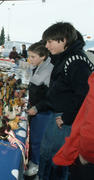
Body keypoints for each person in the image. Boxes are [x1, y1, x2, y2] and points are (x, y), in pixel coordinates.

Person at [38, 22, 94, 180]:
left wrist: (67, 117)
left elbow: (84, 95)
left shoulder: (76, 61)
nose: (47, 46)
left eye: (50, 42)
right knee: (47, 154)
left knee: (55, 159)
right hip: (59, 114)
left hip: (64, 118)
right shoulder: (65, 57)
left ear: (63, 40)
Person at [24, 41, 54, 177]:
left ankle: (36, 166)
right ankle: (31, 161)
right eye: (29, 56)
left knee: (37, 140)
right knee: (32, 138)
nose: (30, 60)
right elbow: (35, 86)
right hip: (35, 108)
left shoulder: (49, 69)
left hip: (43, 112)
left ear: (43, 56)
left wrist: (36, 107)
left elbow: (50, 96)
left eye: (33, 57)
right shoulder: (38, 66)